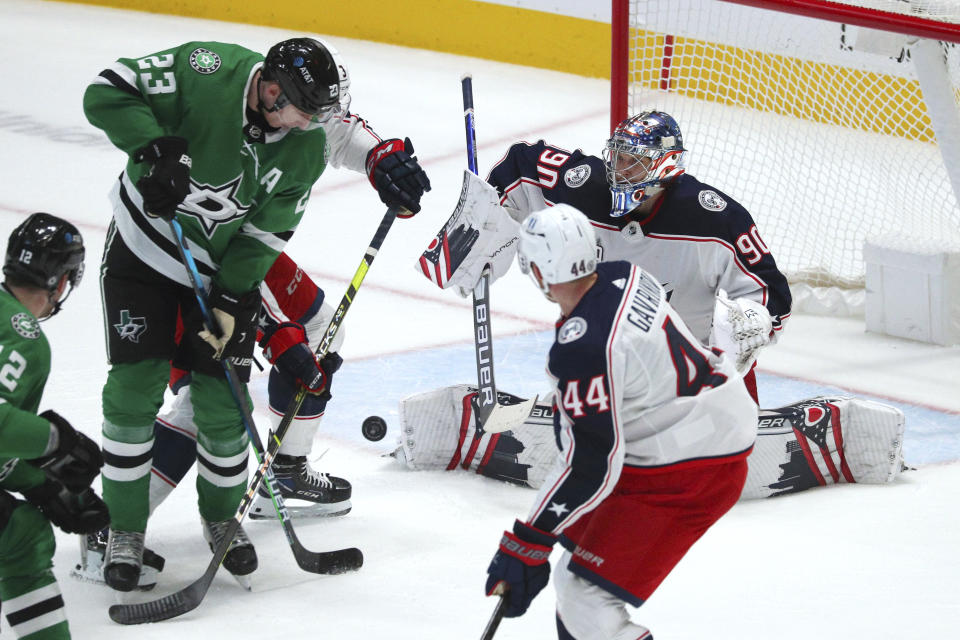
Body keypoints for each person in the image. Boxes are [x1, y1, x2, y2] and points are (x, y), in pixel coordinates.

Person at [83, 36, 430, 591]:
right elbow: (106, 90)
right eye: (304, 110)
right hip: (145, 256)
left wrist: (234, 298)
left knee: (224, 400)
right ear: (271, 91)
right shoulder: (208, 68)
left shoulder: (303, 138)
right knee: (135, 390)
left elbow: (263, 233)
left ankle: (222, 516)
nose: (313, 122)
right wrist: (152, 149)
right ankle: (117, 527)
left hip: (216, 274)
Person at [482, 204, 756, 638]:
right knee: (575, 576)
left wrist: (528, 540)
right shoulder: (624, 274)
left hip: (690, 466)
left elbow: (591, 463)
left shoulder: (584, 349)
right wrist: (540, 537)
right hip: (694, 426)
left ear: (538, 271)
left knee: (585, 596)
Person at [419, 109, 791, 401]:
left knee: (731, 334)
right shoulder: (584, 184)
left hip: (690, 375)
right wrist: (483, 218)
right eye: (617, 157)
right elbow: (521, 163)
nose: (619, 170)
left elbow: (773, 294)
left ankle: (732, 413)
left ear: (666, 166)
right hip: (607, 363)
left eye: (635, 161)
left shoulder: (715, 219)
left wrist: (752, 323)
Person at [72, 251, 350, 590]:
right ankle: (113, 525)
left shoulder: (264, 222)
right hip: (172, 280)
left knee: (325, 332)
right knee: (203, 406)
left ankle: (288, 470)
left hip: (246, 242)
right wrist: (276, 335)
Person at [0, 213, 109, 637]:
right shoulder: (22, 335)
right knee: (24, 539)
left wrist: (44, 485)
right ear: (61, 282)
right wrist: (55, 443)